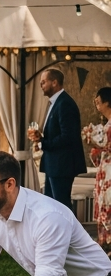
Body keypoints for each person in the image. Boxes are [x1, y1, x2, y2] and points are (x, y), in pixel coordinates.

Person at [27, 67, 86, 207]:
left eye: (43, 82)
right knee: (51, 204)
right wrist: (40, 137)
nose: (41, 86)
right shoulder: (56, 103)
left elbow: (68, 137)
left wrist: (43, 143)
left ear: (54, 82)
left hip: (62, 165)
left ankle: (67, 229)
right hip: (54, 164)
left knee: (61, 205)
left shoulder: (65, 104)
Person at [87, 87, 111, 251]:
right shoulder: (105, 125)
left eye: (98, 102)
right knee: (104, 201)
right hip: (104, 170)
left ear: (107, 102)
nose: (96, 106)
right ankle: (106, 244)